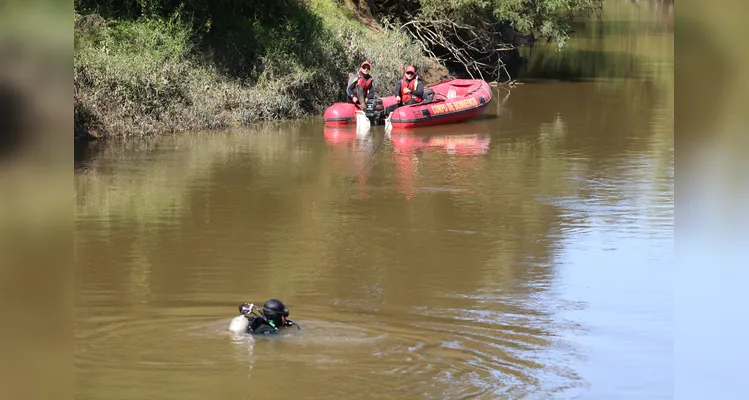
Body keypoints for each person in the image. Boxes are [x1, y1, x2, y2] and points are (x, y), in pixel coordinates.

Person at [231, 299, 299, 335]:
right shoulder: (270, 332)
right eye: (284, 315)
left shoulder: (256, 320)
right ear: (277, 317)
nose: (285, 318)